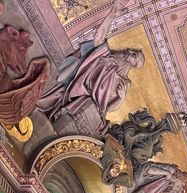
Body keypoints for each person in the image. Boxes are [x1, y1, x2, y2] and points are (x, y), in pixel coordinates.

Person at [39, 0, 143, 132]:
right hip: (74, 90)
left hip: (86, 105)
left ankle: (63, 111)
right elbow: (99, 36)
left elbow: (107, 108)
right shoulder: (106, 58)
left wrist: (120, 99)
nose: (129, 51)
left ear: (133, 65)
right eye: (133, 51)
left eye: (134, 55)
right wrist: (112, 15)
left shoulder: (125, 83)